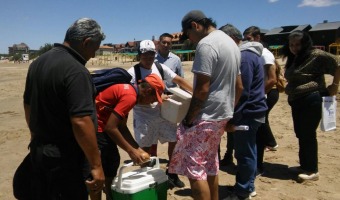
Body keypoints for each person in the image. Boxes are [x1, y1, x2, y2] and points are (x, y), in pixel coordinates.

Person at [23, 18, 105, 199]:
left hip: (40, 151)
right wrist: (96, 166)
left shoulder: (38, 62)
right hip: (66, 159)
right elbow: (81, 120)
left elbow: (28, 103)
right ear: (86, 42)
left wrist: (34, 134)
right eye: (95, 48)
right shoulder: (76, 70)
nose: (93, 54)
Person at [169, 10, 240, 200]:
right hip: (221, 115)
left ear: (195, 26)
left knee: (194, 169)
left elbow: (201, 90)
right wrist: (230, 111)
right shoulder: (230, 43)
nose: (190, 40)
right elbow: (239, 86)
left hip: (205, 116)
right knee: (209, 164)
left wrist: (189, 118)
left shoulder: (206, 45)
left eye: (188, 35)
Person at [127, 39, 192, 188]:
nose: (148, 58)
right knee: (145, 147)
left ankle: (172, 172)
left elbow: (179, 80)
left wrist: (196, 94)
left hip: (163, 113)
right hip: (143, 116)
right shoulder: (132, 73)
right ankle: (147, 177)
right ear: (139, 55)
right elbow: (130, 98)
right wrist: (154, 97)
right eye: (145, 55)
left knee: (173, 140)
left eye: (151, 54)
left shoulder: (159, 67)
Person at [90, 74, 165, 200]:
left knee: (111, 163)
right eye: (153, 97)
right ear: (147, 91)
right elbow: (111, 128)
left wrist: (137, 149)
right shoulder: (130, 97)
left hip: (101, 126)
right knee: (105, 166)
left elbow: (122, 127)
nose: (153, 102)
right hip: (97, 127)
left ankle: (109, 195)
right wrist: (131, 152)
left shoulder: (130, 93)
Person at [282, 30, 340, 183]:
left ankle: (312, 170)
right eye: (292, 44)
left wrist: (334, 85)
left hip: (312, 98)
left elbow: (338, 63)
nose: (294, 47)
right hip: (297, 100)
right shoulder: (295, 58)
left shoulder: (316, 55)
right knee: (301, 133)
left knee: (307, 134)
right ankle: (304, 165)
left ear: (305, 43)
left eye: (298, 44)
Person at [222, 24, 268, 200]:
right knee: (250, 150)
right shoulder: (248, 55)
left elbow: (243, 91)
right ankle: (248, 186)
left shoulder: (244, 57)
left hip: (248, 113)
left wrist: (233, 117)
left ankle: (242, 192)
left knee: (243, 153)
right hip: (253, 111)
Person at [243, 26, 279, 176]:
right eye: (245, 39)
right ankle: (267, 148)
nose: (246, 42)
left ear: (258, 38)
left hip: (267, 94)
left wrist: (257, 95)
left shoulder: (264, 54)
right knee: (260, 127)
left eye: (249, 39)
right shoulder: (256, 53)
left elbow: (272, 80)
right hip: (261, 94)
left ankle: (259, 165)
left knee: (259, 129)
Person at [148, 32, 185, 157]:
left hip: (171, 99)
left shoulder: (176, 60)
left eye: (169, 43)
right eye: (163, 42)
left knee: (172, 133)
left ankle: (172, 163)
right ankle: (153, 160)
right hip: (154, 98)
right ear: (158, 43)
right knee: (153, 131)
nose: (166, 45)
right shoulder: (151, 59)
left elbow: (181, 81)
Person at [218, 24, 244, 167]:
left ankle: (228, 156)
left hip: (233, 101)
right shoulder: (236, 53)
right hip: (232, 100)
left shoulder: (237, 53)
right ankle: (228, 155)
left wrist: (231, 105)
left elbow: (239, 85)